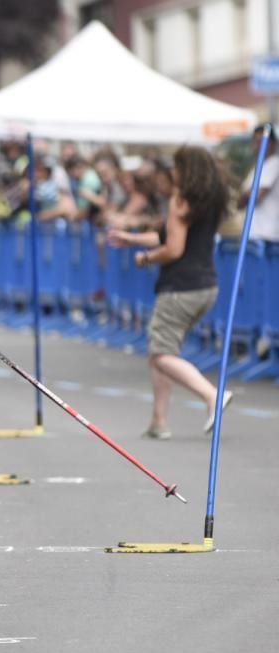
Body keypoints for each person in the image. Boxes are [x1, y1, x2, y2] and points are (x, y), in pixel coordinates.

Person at [108, 146, 233, 440]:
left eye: (177, 167)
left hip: (180, 287)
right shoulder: (208, 201)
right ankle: (159, 420)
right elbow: (171, 235)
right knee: (165, 351)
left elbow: (173, 249)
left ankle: (211, 395)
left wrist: (146, 258)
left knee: (161, 353)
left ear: (187, 170)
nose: (172, 173)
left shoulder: (180, 200)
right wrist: (133, 238)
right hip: (205, 284)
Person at [238, 123, 279, 242]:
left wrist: (246, 194)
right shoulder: (255, 169)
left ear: (273, 144)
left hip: (269, 237)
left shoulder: (275, 164)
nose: (258, 145)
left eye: (263, 141)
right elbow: (239, 203)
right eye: (256, 141)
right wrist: (247, 194)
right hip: (253, 234)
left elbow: (257, 196)